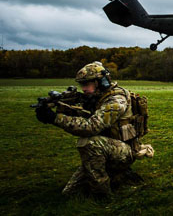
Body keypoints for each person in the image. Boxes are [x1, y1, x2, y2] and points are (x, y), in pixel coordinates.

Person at [35, 61, 154, 197]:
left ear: (100, 82)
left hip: (125, 152)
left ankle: (102, 195)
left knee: (89, 142)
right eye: (82, 85)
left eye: (86, 84)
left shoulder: (116, 100)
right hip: (109, 148)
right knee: (69, 193)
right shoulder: (97, 97)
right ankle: (116, 175)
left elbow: (91, 127)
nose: (83, 89)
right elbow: (85, 115)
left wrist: (54, 118)